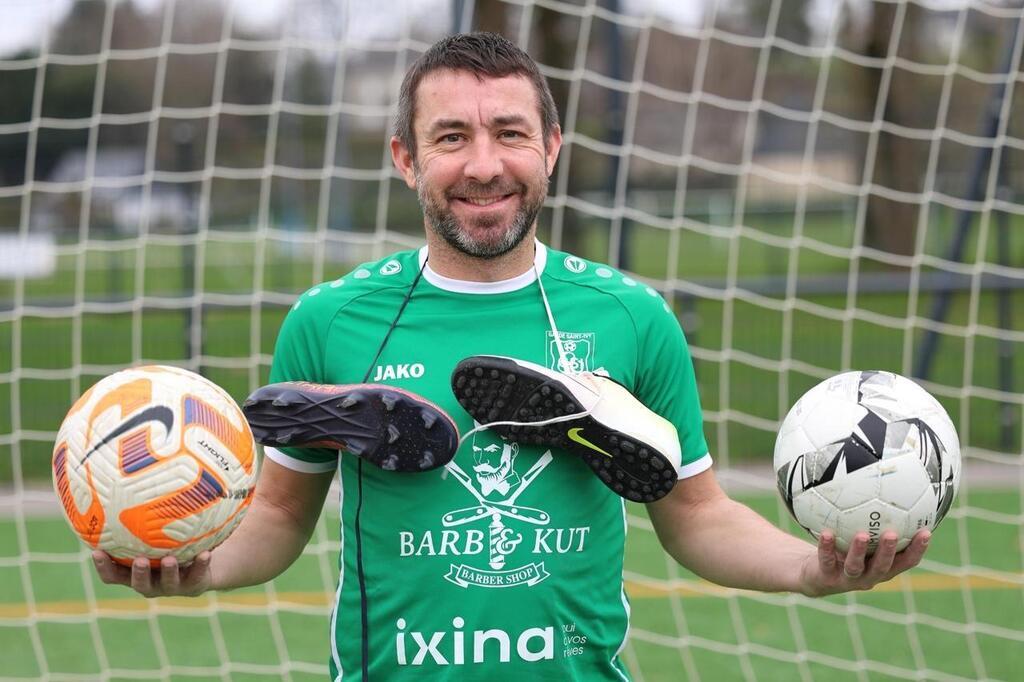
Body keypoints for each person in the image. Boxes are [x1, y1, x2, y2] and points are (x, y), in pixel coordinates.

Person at [93, 32, 930, 681]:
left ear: (552, 146)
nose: (484, 165)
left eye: (510, 133)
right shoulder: (331, 321)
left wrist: (812, 572)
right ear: (405, 158)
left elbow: (697, 514)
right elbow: (277, 519)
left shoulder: (632, 317)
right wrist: (194, 568)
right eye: (451, 136)